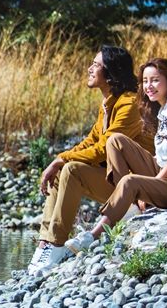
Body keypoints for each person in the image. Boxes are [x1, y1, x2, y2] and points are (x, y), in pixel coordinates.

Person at [66, 58, 167, 252]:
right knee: (115, 140)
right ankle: (130, 206)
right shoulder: (165, 108)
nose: (149, 86)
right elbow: (164, 159)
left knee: (130, 181)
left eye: (155, 80)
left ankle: (93, 235)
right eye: (145, 81)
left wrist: (149, 190)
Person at [27, 46, 153, 275]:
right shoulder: (108, 103)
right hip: (120, 183)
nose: (89, 68)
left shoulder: (129, 103)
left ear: (111, 72)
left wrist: (63, 160)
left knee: (72, 169)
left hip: (141, 188)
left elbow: (104, 149)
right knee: (64, 169)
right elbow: (90, 141)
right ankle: (44, 244)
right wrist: (59, 160)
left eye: (96, 64)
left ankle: (56, 245)